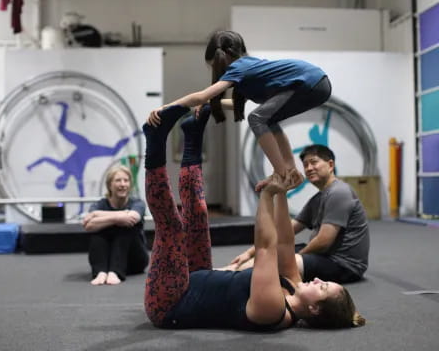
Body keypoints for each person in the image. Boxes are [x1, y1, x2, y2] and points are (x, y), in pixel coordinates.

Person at [143, 104, 365, 330]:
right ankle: (193, 136)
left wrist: (268, 195)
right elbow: (285, 242)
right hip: (194, 277)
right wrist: (281, 192)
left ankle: (155, 139)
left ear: (314, 309)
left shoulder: (272, 310)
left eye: (322, 287)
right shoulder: (293, 285)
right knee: (198, 215)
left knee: (172, 228)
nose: (317, 279)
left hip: (170, 302)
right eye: (324, 281)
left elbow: (266, 248)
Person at [147, 30, 331, 192]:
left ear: (224, 56)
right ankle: (289, 170)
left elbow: (202, 95)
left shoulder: (239, 67)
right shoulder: (250, 72)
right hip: (316, 83)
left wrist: (167, 107)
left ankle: (281, 173)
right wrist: (210, 106)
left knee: (257, 118)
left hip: (310, 82)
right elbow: (233, 105)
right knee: (268, 119)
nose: (215, 70)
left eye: (213, 65)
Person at [220, 145, 370, 284]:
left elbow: (324, 241)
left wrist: (291, 259)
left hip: (344, 265)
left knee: (281, 260)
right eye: (305, 165)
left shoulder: (340, 192)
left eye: (314, 162)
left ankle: (230, 280)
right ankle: (228, 272)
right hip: (324, 256)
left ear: (330, 165)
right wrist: (249, 253)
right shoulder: (318, 198)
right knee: (274, 250)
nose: (309, 168)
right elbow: (287, 230)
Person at [82, 165, 149, 285]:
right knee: (98, 231)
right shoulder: (101, 204)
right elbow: (88, 225)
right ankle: (100, 272)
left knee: (126, 227)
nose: (122, 184)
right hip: (108, 260)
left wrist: (97, 215)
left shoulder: (137, 203)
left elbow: (133, 218)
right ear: (110, 185)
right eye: (118, 180)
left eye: (126, 180)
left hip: (134, 260)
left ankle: (115, 272)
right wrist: (120, 216)